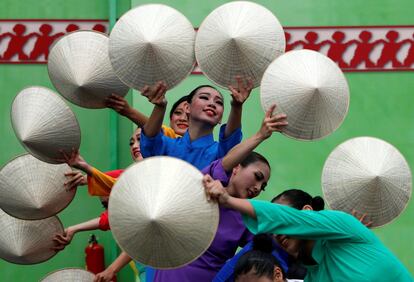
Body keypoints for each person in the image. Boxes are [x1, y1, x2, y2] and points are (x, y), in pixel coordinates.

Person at [152, 104, 288, 282]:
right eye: (257, 177)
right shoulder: (204, 186)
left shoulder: (245, 217)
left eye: (262, 186)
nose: (257, 187)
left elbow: (267, 247)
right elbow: (225, 162)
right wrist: (260, 135)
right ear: (237, 168)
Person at [204, 185, 413, 281]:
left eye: (282, 225)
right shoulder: (312, 277)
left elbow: (281, 218)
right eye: (274, 231)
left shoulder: (344, 226)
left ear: (307, 212)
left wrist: (228, 200)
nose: (278, 233)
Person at [140, 77, 253, 170]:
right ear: (187, 108)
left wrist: (237, 106)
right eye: (204, 97)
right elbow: (149, 142)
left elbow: (231, 142)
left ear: (220, 118)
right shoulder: (168, 145)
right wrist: (160, 106)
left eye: (218, 102)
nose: (212, 104)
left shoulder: (219, 152)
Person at [106, 93, 189, 137]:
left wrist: (129, 111)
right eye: (178, 112)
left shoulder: (200, 147)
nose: (183, 118)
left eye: (190, 115)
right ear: (171, 119)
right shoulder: (157, 145)